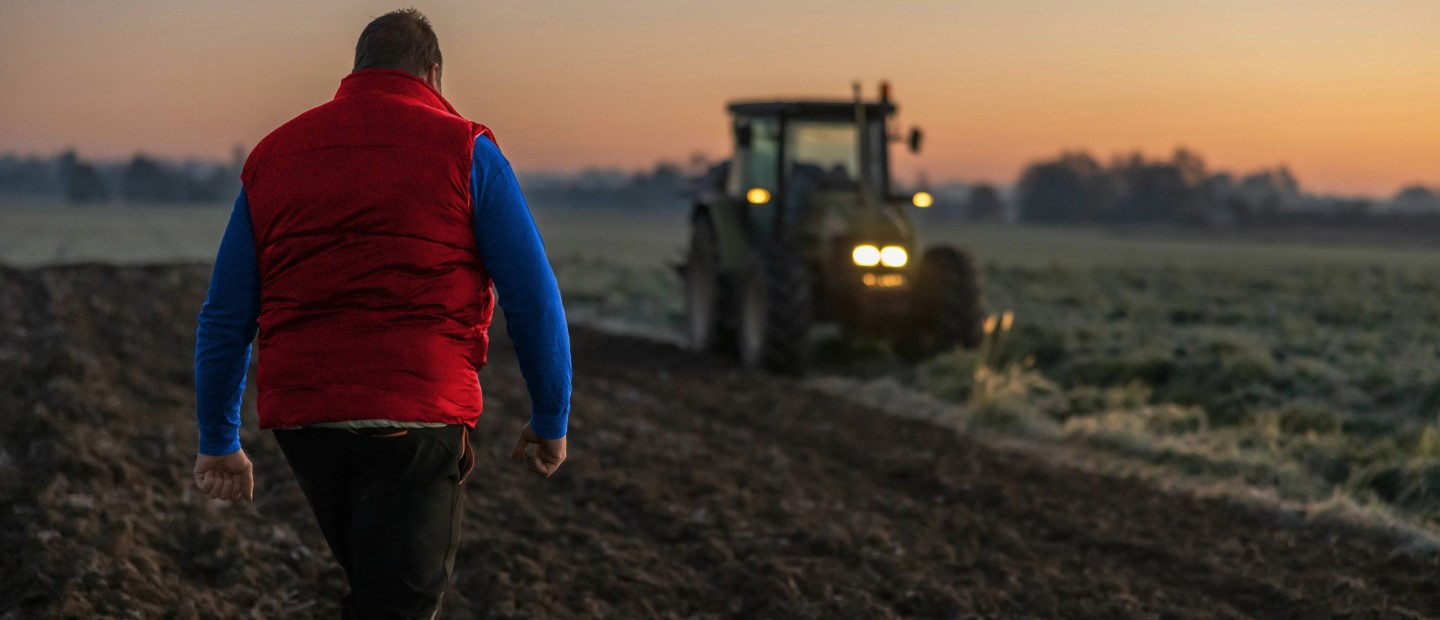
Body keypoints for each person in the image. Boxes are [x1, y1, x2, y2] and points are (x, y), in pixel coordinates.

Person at [190, 9, 572, 618]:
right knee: (398, 604)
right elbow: (532, 296)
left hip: (307, 422)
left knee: (378, 593)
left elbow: (227, 313)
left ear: (357, 69)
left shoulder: (274, 154)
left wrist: (218, 439)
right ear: (435, 74)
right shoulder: (467, 149)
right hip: (417, 417)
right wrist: (550, 417)